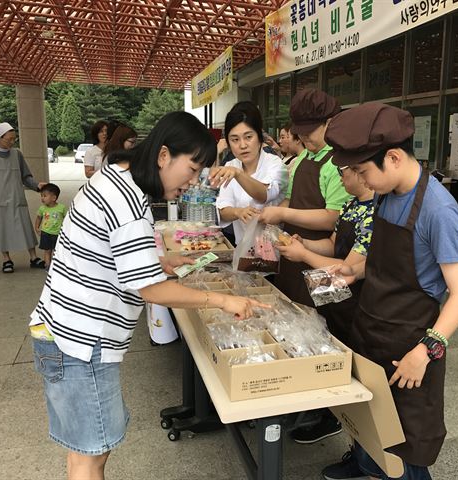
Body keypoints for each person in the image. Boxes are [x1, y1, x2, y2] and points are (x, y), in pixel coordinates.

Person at [29, 111, 268, 480]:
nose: (191, 182)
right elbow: (152, 288)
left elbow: (112, 252)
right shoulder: (127, 201)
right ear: (162, 156)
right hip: (79, 343)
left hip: (65, 333)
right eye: (191, 169)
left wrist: (160, 258)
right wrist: (224, 300)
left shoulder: (118, 178)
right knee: (90, 458)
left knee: (87, 452)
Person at [320, 103, 458, 480]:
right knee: (371, 425)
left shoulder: (439, 210)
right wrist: (355, 272)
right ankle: (364, 465)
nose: (357, 179)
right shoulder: (387, 195)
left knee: (404, 445)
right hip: (372, 328)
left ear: (392, 157)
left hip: (410, 346)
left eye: (361, 170)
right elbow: (387, 260)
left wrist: (426, 351)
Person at [277, 164, 374, 445]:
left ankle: (348, 428)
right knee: (330, 347)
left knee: (354, 363)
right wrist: (302, 242)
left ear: (360, 173)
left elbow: (349, 268)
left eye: (344, 171)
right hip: (332, 295)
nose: (340, 177)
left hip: (356, 299)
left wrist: (303, 254)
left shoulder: (375, 214)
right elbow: (332, 245)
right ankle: (328, 414)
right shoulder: (351, 205)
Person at [259, 89, 351, 306]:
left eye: (310, 130)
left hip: (324, 257)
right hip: (294, 252)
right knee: (290, 309)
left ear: (329, 123)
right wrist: (271, 221)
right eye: (300, 131)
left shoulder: (338, 163)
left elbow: (333, 217)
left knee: (322, 317)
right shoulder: (303, 158)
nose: (303, 137)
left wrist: (283, 212)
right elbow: (290, 199)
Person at [211, 104, 288, 244]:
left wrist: (238, 174)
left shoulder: (275, 164)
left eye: (248, 137)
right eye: (235, 139)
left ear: (259, 138)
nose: (242, 145)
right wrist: (238, 212)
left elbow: (265, 194)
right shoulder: (231, 166)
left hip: (275, 251)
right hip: (243, 250)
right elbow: (223, 210)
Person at [0, 122, 47, 273]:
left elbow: (26, 176)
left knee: (25, 228)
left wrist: (36, 186)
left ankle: (33, 257)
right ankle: (6, 260)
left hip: (16, 198)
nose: (12, 141)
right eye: (9, 139)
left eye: (14, 139)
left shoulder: (17, 154)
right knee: (1, 229)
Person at [34, 183, 67, 269]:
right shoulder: (42, 208)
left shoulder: (61, 208)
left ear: (54, 198)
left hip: (57, 233)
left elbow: (67, 219)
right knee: (47, 250)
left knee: (57, 250)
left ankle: (57, 265)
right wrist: (37, 228)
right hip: (45, 233)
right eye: (41, 196)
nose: (42, 198)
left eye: (45, 196)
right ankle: (47, 265)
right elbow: (38, 218)